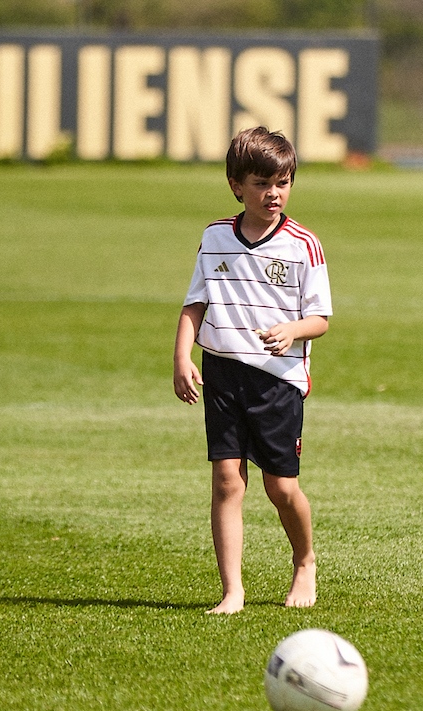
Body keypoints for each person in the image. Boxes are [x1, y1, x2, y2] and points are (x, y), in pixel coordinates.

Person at [173, 127, 333, 615]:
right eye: (263, 183)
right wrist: (182, 357)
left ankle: (304, 560)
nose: (274, 194)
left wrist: (292, 331)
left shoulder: (303, 245)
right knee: (227, 481)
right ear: (235, 185)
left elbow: (321, 319)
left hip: (277, 380)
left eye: (283, 182)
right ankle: (232, 591)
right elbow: (195, 302)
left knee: (281, 488)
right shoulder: (215, 235)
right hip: (221, 372)